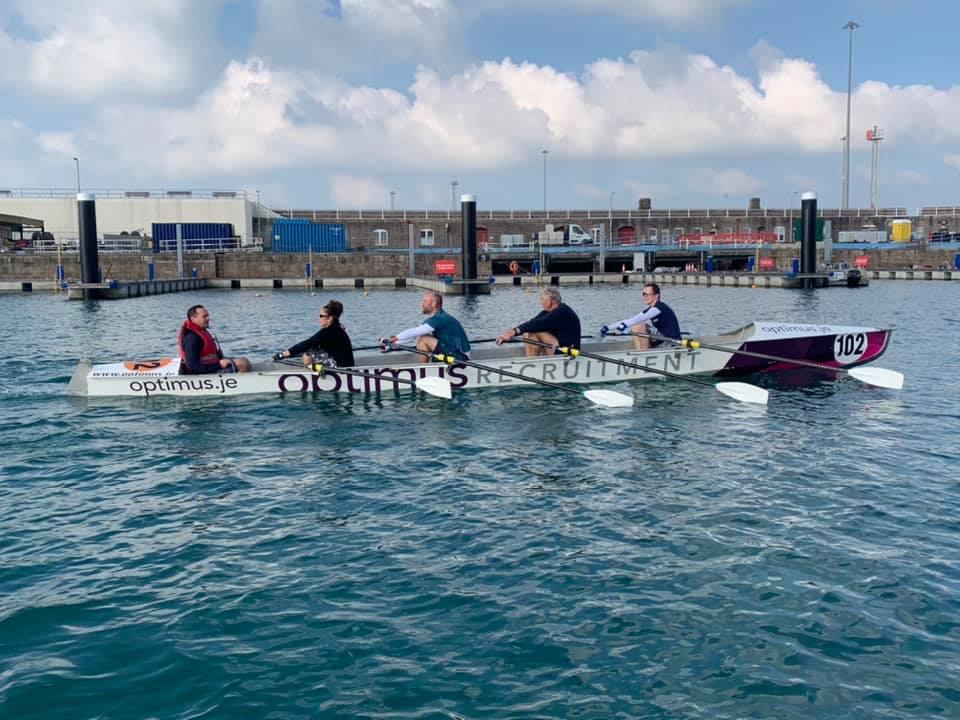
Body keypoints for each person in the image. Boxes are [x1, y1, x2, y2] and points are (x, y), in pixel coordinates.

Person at [381, 291, 471, 363]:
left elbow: (414, 332)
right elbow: (414, 336)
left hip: (460, 357)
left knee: (423, 339)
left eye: (425, 301)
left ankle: (423, 370)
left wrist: (393, 339)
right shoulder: (434, 319)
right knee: (421, 337)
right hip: (453, 351)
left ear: (434, 304)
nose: (422, 304)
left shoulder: (439, 319)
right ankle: (424, 368)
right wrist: (392, 345)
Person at [495, 286, 581, 356]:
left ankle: (532, 364)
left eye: (542, 299)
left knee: (532, 332)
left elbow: (539, 324)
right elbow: (532, 322)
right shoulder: (547, 312)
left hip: (568, 352)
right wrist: (508, 335)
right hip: (557, 346)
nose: (540, 302)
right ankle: (533, 361)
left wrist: (514, 331)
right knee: (527, 331)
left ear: (550, 301)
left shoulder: (562, 311)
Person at [272, 299, 354, 368]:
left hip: (341, 367)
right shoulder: (338, 327)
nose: (319, 318)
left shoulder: (327, 332)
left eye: (321, 316)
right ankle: (317, 368)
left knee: (307, 355)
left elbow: (307, 343)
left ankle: (318, 372)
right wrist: (292, 352)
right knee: (311, 349)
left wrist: (283, 354)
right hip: (346, 363)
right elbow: (311, 344)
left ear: (330, 318)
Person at [600, 282, 681, 350]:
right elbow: (631, 319)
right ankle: (640, 353)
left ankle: (643, 354)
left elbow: (641, 318)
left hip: (671, 342)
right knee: (636, 326)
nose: (644, 297)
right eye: (643, 294)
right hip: (662, 338)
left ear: (656, 295)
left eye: (647, 294)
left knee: (639, 325)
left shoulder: (659, 308)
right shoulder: (650, 309)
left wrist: (624, 326)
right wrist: (608, 328)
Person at [177, 305, 252, 374]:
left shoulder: (202, 333)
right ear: (193, 318)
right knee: (243, 364)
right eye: (204, 316)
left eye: (208, 316)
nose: (208, 318)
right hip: (204, 374)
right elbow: (192, 366)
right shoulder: (192, 338)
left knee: (244, 360)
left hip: (211, 367)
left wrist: (221, 362)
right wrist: (219, 364)